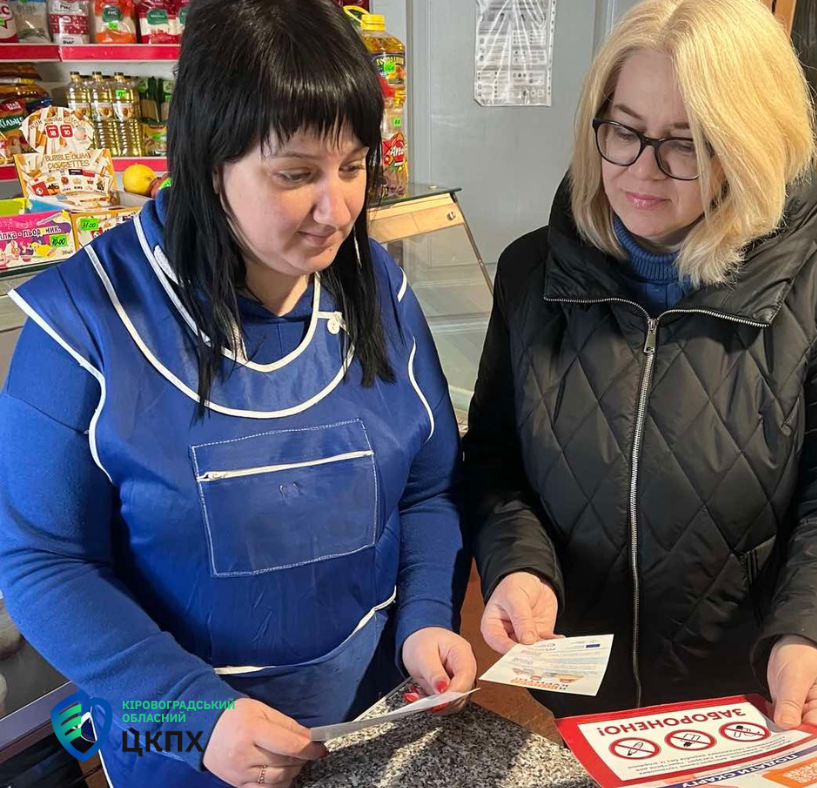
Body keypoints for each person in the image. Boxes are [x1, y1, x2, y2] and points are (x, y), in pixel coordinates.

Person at [0, 0, 475, 785]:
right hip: (177, 737)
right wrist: (192, 715)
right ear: (207, 157)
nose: (335, 211)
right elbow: (43, 563)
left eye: (353, 166)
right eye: (295, 174)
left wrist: (426, 618)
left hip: (369, 711)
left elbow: (428, 489)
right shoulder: (82, 323)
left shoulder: (378, 289)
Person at [465, 0, 817, 729]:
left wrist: (816, 635)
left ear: (749, 145)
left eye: (688, 144)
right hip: (579, 679)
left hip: (742, 690)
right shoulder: (531, 272)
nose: (643, 171)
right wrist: (520, 564)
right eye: (625, 131)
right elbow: (496, 459)